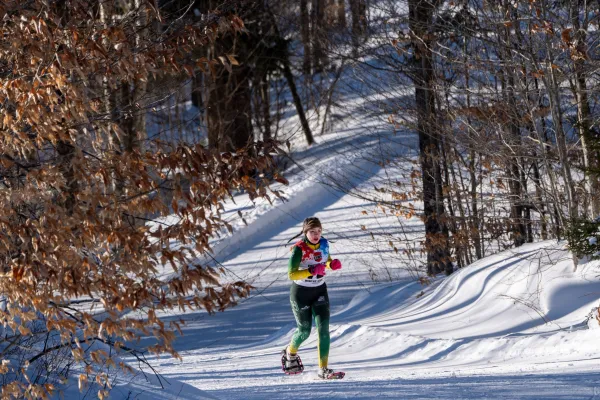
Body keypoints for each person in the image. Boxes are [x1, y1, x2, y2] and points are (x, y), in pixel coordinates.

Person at [281, 217, 343, 379]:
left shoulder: (324, 244)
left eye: (319, 231)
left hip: (320, 291)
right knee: (304, 331)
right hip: (300, 293)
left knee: (324, 331)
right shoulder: (298, 249)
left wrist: (332, 264)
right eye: (312, 232)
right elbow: (291, 274)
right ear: (305, 232)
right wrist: (311, 270)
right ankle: (290, 352)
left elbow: (325, 260)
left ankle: (323, 369)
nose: (316, 235)